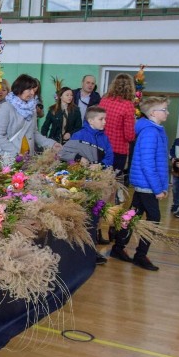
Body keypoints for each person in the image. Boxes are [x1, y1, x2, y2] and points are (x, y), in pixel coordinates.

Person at [110, 96, 170, 271]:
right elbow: (147, 163)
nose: (167, 112)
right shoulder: (150, 132)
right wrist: (158, 188)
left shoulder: (157, 130)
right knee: (154, 219)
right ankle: (140, 255)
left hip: (147, 184)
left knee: (133, 216)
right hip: (147, 185)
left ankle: (118, 248)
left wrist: (162, 186)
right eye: (164, 109)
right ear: (152, 113)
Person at [58, 106, 113, 265]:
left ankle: (91, 251)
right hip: (79, 183)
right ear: (90, 120)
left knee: (94, 217)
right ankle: (74, 250)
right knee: (79, 216)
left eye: (105, 119)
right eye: (101, 119)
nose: (104, 122)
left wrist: (101, 165)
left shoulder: (104, 138)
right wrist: (77, 159)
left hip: (96, 184)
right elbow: (63, 154)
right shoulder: (79, 135)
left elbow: (110, 157)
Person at [0, 74, 58, 165]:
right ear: (20, 88)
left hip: (27, 158)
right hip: (8, 159)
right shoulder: (6, 107)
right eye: (29, 89)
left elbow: (34, 133)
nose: (32, 93)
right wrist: (16, 153)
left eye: (33, 90)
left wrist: (52, 144)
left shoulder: (32, 109)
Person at [99, 73, 137, 186]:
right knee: (113, 182)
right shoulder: (128, 105)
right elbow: (129, 135)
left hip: (101, 145)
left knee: (100, 179)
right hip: (118, 148)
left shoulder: (104, 101)